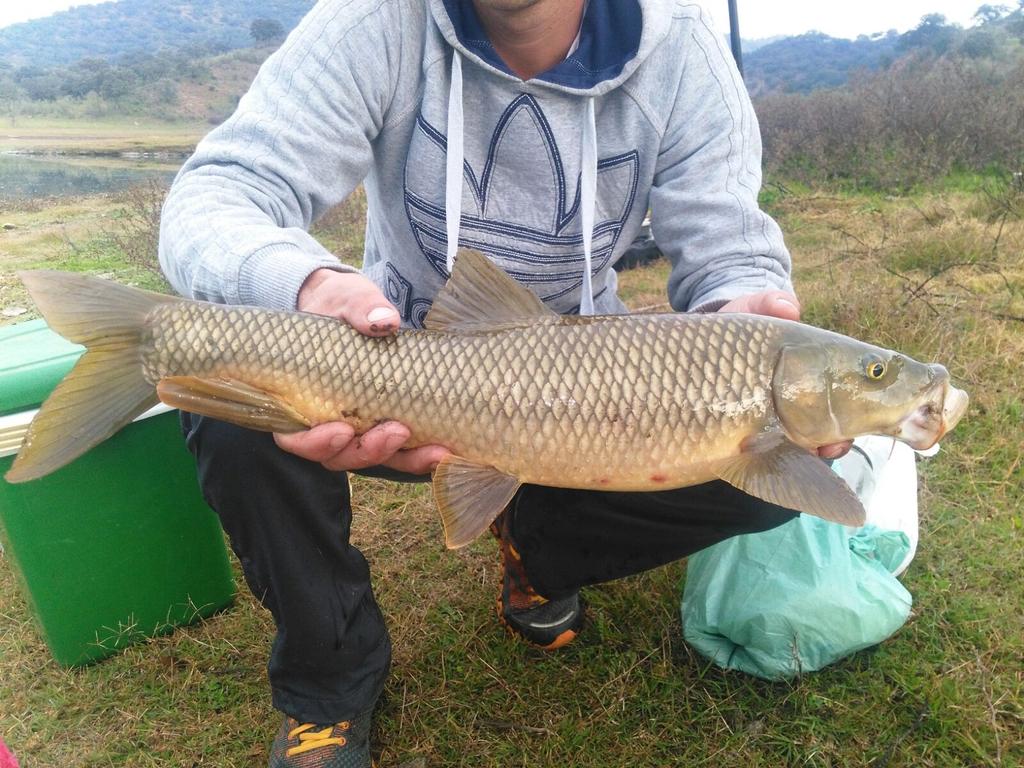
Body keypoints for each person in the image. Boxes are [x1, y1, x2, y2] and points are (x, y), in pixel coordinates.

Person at [158, 1, 850, 765]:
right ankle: (330, 678)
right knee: (227, 402)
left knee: (775, 458)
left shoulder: (680, 50)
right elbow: (216, 196)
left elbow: (730, 245)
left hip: (589, 394)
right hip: (388, 361)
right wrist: (310, 284)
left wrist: (742, 305)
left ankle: (538, 554)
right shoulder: (375, 21)